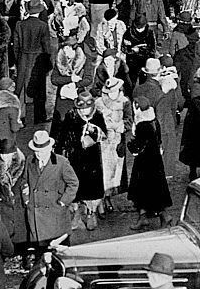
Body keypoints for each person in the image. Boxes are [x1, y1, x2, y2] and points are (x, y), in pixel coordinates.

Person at [19, 130, 79, 256]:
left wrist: (63, 202)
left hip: (55, 213)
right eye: (36, 151)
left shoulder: (61, 163)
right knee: (41, 253)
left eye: (42, 151)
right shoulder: (30, 161)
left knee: (58, 253)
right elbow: (24, 180)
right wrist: (26, 199)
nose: (39, 154)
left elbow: (73, 183)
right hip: (35, 213)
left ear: (50, 148)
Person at [56, 94, 107, 231]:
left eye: (87, 108)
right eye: (82, 108)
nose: (84, 111)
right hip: (75, 156)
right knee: (76, 185)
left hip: (92, 158)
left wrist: (93, 135)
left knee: (92, 186)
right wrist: (60, 151)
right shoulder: (70, 115)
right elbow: (63, 134)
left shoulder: (97, 115)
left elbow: (104, 133)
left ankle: (91, 213)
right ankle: (77, 213)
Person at [127, 96, 171, 230]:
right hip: (154, 161)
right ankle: (144, 217)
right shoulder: (153, 121)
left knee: (145, 190)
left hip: (144, 162)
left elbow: (138, 146)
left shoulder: (142, 125)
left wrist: (130, 143)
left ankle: (164, 216)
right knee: (152, 190)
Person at [14, 0, 52, 125]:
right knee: (39, 89)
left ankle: (20, 117)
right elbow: (46, 46)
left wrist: (17, 59)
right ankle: (39, 117)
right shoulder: (43, 25)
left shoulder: (20, 25)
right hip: (37, 59)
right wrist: (48, 62)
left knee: (20, 88)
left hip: (23, 58)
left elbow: (16, 45)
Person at [95, 78, 130, 213]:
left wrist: (118, 126)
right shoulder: (98, 103)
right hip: (102, 142)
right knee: (102, 170)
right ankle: (101, 200)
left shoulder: (125, 102)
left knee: (115, 172)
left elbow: (129, 121)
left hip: (117, 141)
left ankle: (108, 196)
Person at [0, 138, 26, 244]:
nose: (5, 158)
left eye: (9, 156)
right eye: (3, 155)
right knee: (6, 236)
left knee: (21, 236)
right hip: (2, 206)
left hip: (19, 206)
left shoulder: (24, 164)